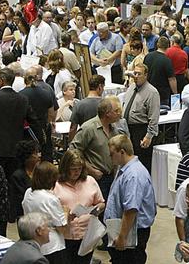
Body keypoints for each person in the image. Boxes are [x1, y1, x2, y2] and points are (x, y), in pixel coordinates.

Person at [105, 134, 156, 264]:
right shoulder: (125, 169)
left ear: (122, 152)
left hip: (132, 233)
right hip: (125, 229)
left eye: (112, 154)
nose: (110, 157)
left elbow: (131, 209)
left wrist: (122, 237)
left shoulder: (133, 175)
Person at [0, 67, 41, 180]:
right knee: (14, 180)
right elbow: (34, 122)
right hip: (16, 148)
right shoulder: (23, 99)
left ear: (2, 80)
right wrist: (37, 144)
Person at [53, 150, 105, 264]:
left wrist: (96, 210)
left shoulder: (90, 181)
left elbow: (101, 203)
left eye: (79, 168)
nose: (77, 172)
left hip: (87, 235)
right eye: (73, 169)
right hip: (65, 236)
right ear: (65, 167)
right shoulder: (55, 184)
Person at [69, 96, 126, 199]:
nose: (119, 113)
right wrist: (91, 170)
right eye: (116, 111)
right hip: (95, 178)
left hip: (111, 177)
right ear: (107, 113)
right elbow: (73, 151)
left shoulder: (114, 129)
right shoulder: (89, 128)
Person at [21, 161, 68, 263]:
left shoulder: (28, 192)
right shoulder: (51, 199)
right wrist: (66, 215)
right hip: (52, 246)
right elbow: (61, 228)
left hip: (35, 244)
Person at [122, 64, 160, 171]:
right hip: (127, 129)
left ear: (146, 75)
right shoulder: (131, 88)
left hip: (141, 131)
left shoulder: (152, 92)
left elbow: (154, 117)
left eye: (139, 74)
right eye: (135, 73)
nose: (136, 76)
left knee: (142, 164)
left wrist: (149, 136)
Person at [9, 141, 41, 223]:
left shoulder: (40, 172)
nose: (38, 156)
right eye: (35, 153)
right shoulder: (18, 176)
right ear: (27, 157)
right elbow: (18, 199)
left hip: (41, 213)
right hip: (25, 216)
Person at [68, 75, 105, 140]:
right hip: (102, 141)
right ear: (100, 87)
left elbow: (73, 128)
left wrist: (71, 144)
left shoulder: (79, 105)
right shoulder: (106, 104)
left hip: (85, 141)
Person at [143, 36, 177, 105]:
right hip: (162, 95)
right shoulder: (167, 60)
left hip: (147, 91)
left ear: (157, 44)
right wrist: (175, 93)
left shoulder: (148, 56)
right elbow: (172, 79)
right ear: (168, 45)